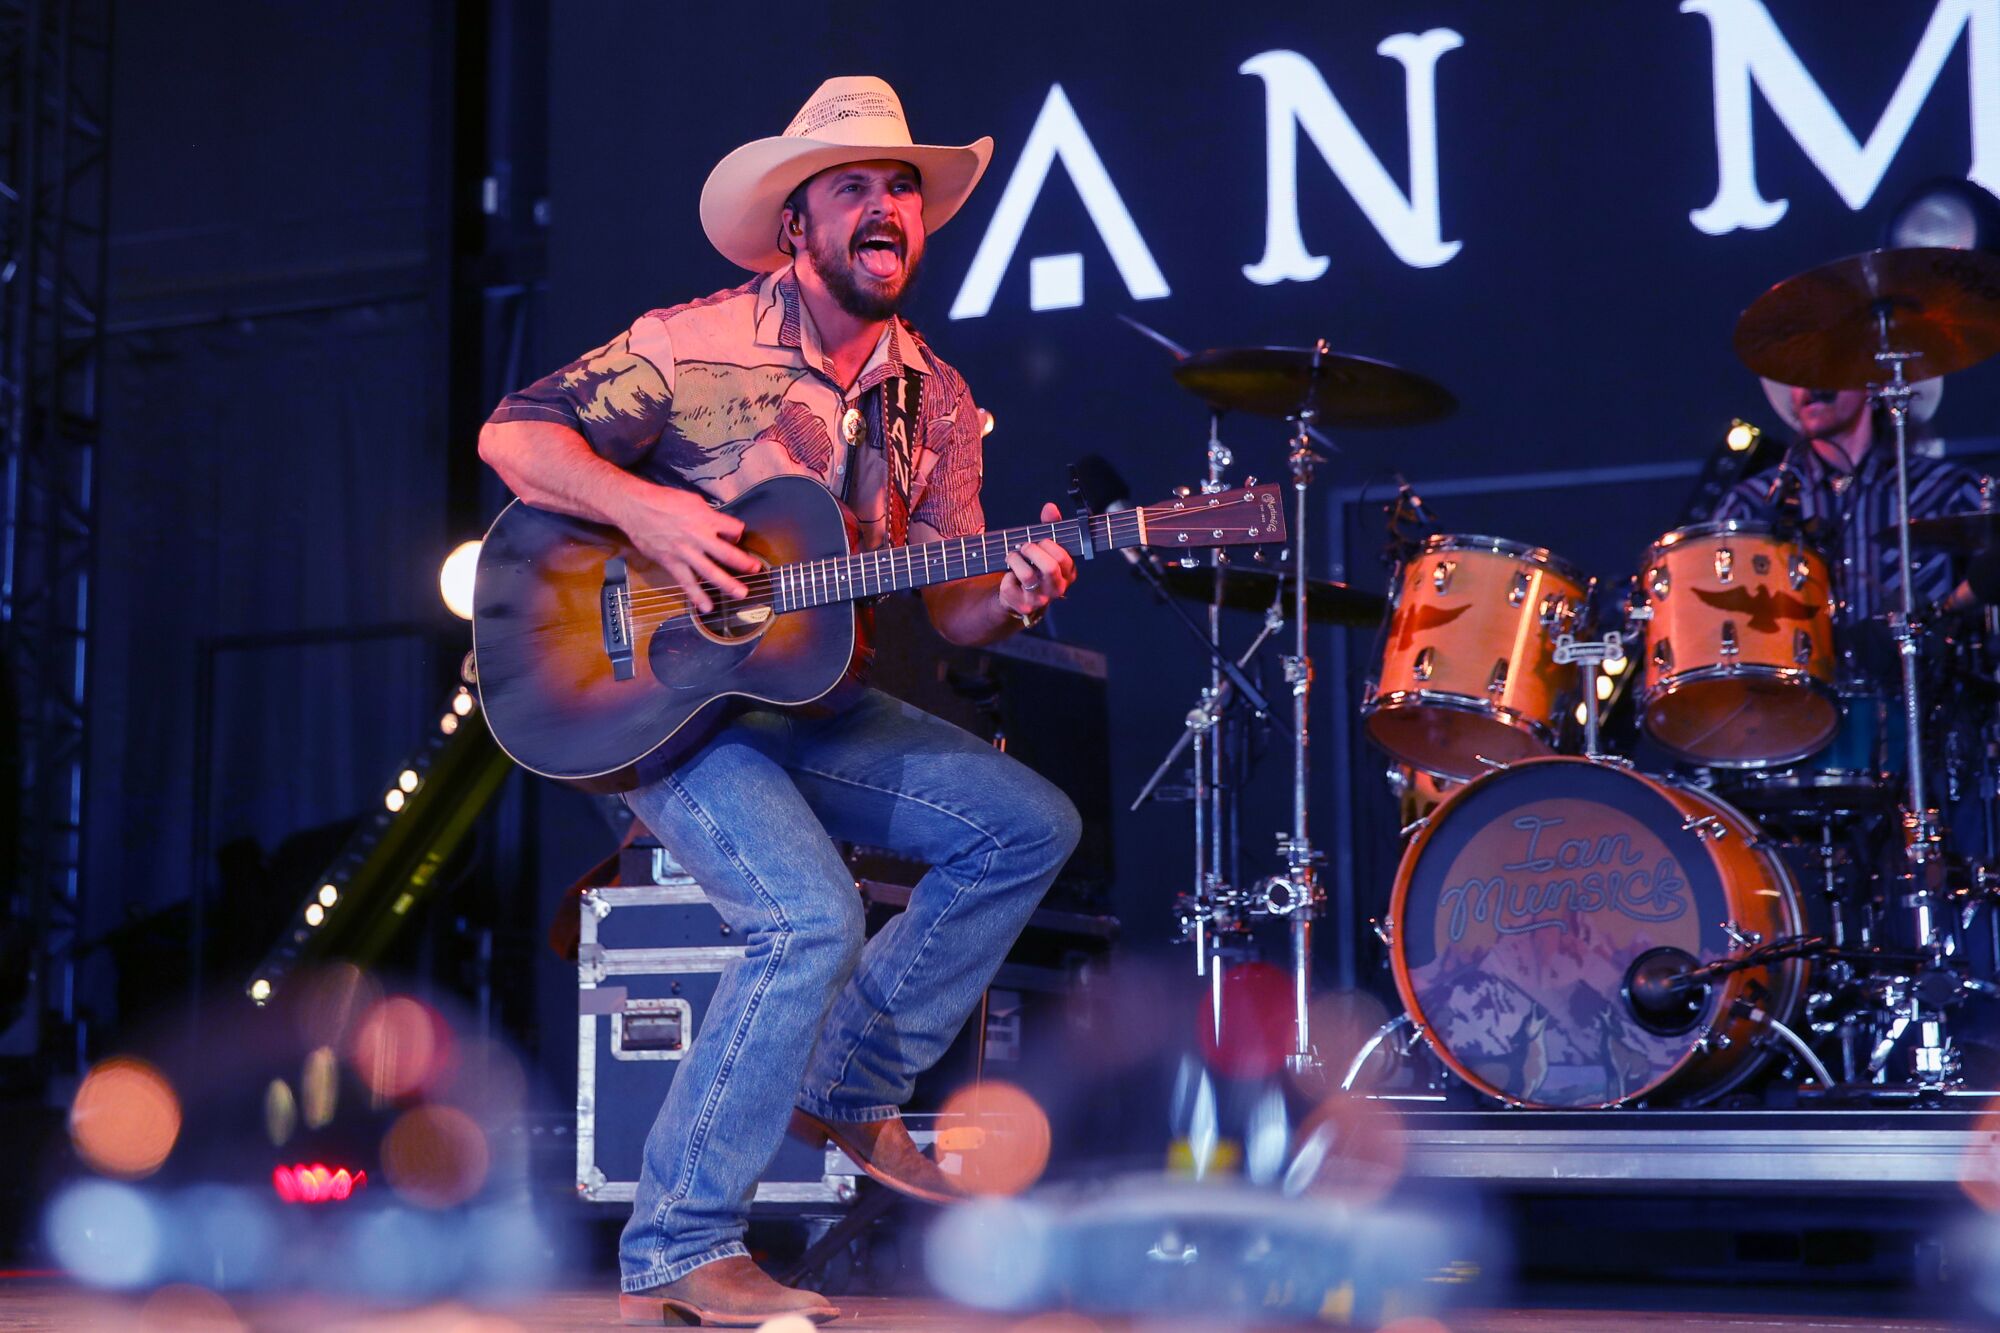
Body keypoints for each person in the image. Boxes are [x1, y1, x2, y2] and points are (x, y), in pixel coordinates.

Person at [478, 76, 1083, 1327]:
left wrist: (1020, 588)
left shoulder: (939, 401)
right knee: (806, 917)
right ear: (795, 225)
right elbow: (512, 439)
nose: (884, 207)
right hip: (659, 698)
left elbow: (954, 603)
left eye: (901, 190)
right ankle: (681, 1248)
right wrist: (652, 508)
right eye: (853, 186)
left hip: (810, 697)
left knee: (1027, 825)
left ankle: (851, 1084)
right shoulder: (689, 343)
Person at [1713, 376, 1987, 648]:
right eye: (1795, 374)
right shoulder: (1751, 504)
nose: (1808, 387)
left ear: (1874, 386)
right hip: (1797, 690)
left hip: (1925, 687)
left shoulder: (1946, 489)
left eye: (1828, 366)